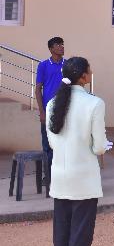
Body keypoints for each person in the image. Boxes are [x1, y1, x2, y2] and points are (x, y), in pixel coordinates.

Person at [46, 56, 107, 246]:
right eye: (89, 70)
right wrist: (93, 148)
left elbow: (52, 142)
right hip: (84, 181)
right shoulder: (94, 103)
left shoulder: (52, 103)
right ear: (83, 76)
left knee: (61, 238)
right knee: (79, 239)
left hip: (60, 179)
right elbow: (100, 146)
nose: (91, 73)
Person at [36, 37, 65, 170]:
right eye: (58, 45)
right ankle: (47, 176)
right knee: (47, 144)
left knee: (64, 142)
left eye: (62, 44)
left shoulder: (68, 64)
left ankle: (61, 175)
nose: (61, 47)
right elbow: (38, 89)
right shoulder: (43, 65)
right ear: (51, 48)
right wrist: (41, 112)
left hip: (64, 109)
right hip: (48, 110)